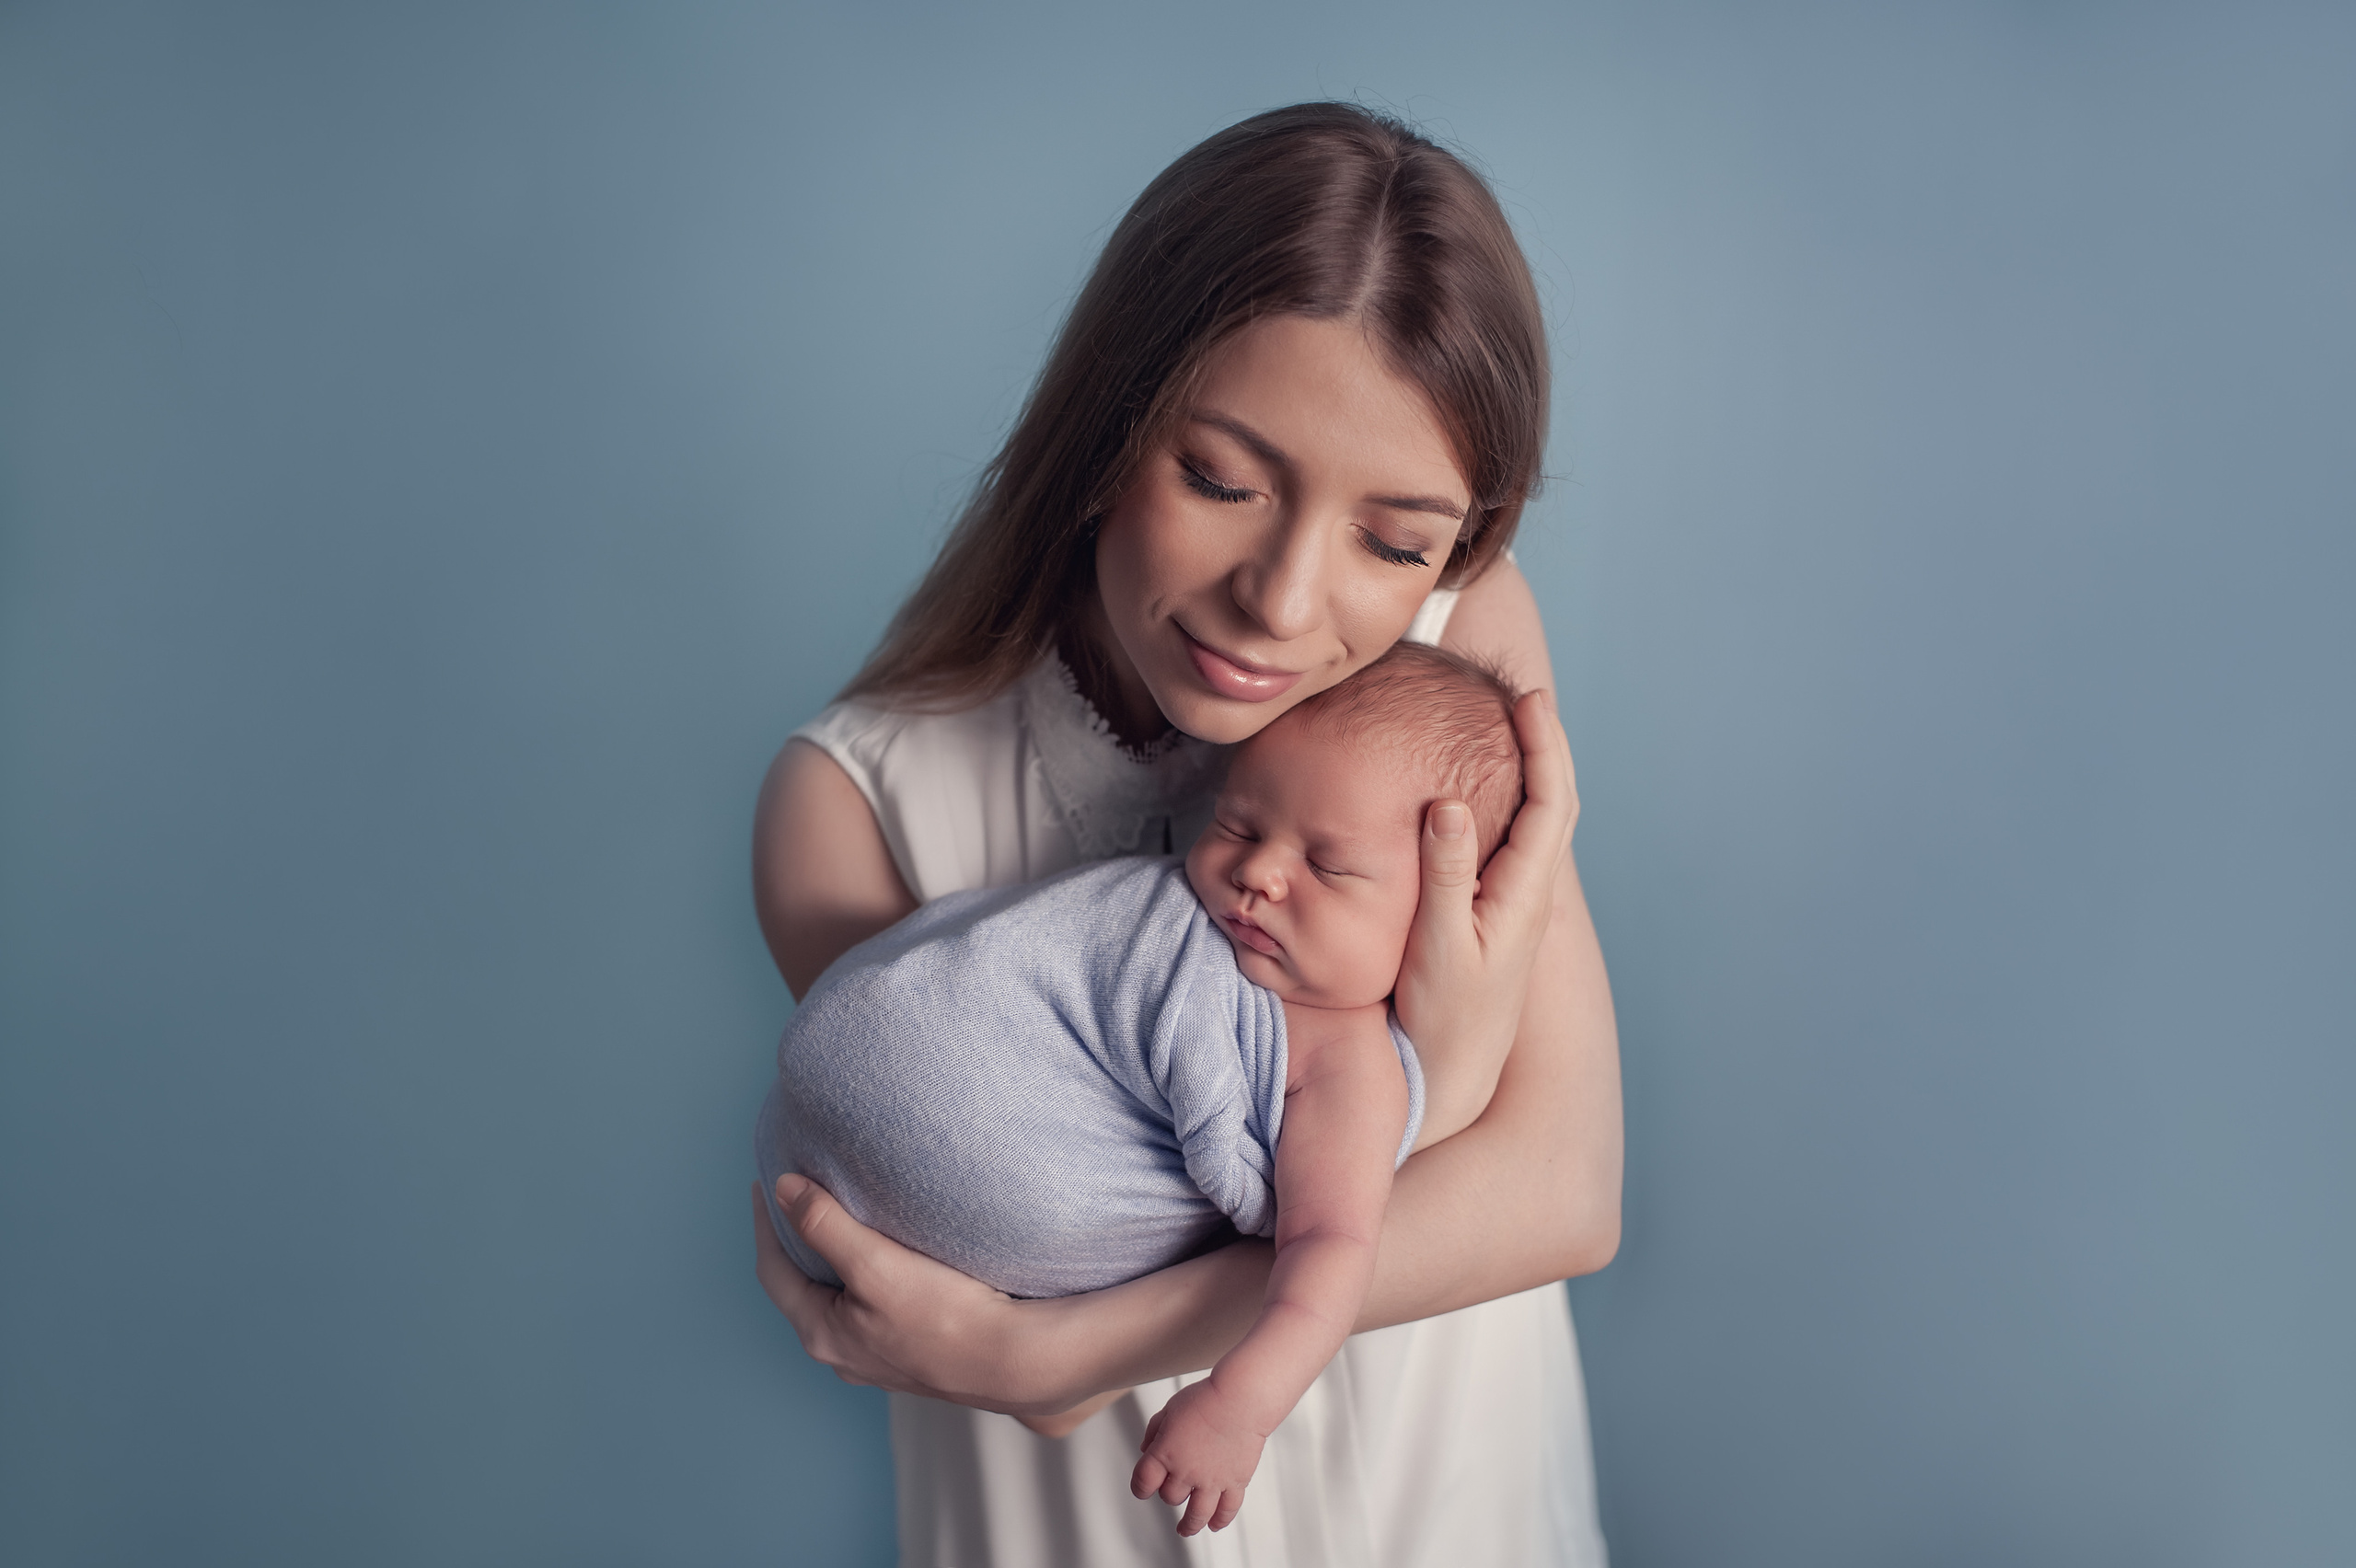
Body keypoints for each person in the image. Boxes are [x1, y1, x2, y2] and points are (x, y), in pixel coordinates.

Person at [752, 101, 1623, 1568]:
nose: (1283, 601)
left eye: (1393, 540)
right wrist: (1451, 1072)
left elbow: (1565, 1193)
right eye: (1222, 480)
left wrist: (1051, 1353)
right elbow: (984, 1269)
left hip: (1450, 1512)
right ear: (1104, 433)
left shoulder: (1453, 652)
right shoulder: (860, 803)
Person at [756, 647, 1525, 1538]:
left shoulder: (1348, 1065)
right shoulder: (1166, 915)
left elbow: (1328, 1255)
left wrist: (1242, 1403)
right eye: (1239, 824)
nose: (1259, 872)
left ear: (1442, 902)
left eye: (1328, 867)